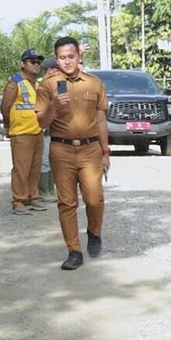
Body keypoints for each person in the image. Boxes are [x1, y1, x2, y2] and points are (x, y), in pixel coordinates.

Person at [35, 35, 109, 270]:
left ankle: (94, 232)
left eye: (71, 56)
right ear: (56, 60)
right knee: (67, 203)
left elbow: (100, 121)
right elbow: (41, 123)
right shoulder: (47, 85)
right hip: (62, 150)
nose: (67, 61)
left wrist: (106, 151)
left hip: (90, 149)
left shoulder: (94, 83)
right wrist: (53, 107)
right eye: (62, 58)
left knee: (95, 198)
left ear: (79, 56)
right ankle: (74, 250)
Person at [0, 48, 48, 215]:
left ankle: (32, 196)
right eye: (32, 62)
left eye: (38, 62)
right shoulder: (15, 82)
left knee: (35, 167)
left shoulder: (37, 83)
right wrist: (9, 126)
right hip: (21, 132)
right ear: (23, 64)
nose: (36, 65)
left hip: (37, 131)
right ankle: (19, 200)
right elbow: (5, 107)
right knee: (21, 168)